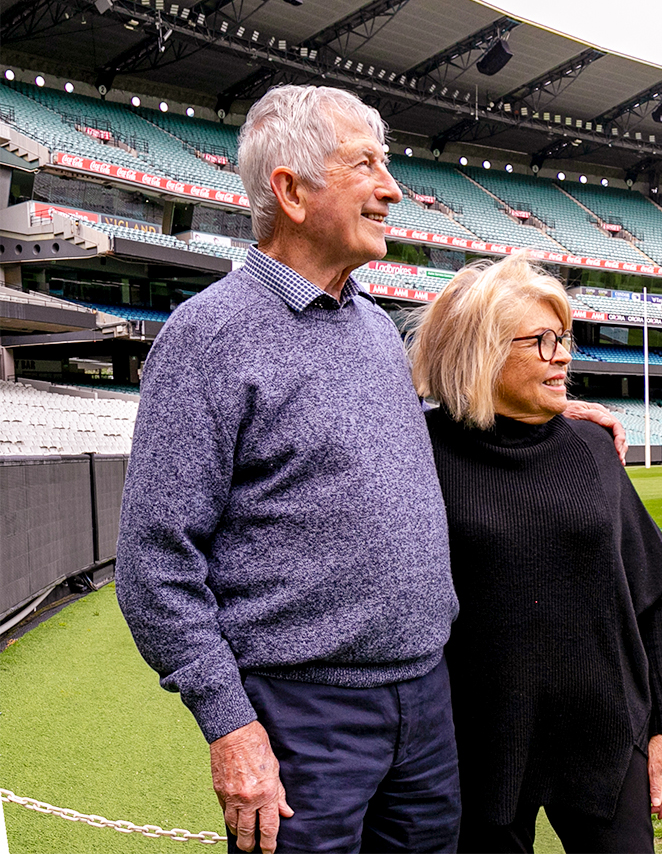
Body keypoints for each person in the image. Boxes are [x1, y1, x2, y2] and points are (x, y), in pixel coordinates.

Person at [116, 85, 625, 854]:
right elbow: (154, 563)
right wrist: (231, 725)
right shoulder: (208, 338)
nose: (392, 190)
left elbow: (382, 441)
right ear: (290, 190)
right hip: (302, 714)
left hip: (426, 702)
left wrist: (539, 412)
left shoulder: (374, 328)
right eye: (366, 166)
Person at [409, 252, 662, 854]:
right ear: (483, 352)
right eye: (541, 341)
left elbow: (655, 596)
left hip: (606, 738)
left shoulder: (591, 448)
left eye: (564, 338)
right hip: (479, 747)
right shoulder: (421, 455)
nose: (563, 355)